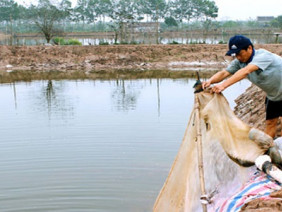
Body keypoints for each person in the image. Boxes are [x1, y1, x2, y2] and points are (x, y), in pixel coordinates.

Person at [202, 35, 282, 138]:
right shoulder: (239, 62)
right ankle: (267, 149)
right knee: (270, 123)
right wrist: (210, 81)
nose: (238, 57)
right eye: (235, 55)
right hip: (274, 95)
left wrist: (223, 85)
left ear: (249, 48)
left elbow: (246, 71)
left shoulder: (263, 56)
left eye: (240, 54)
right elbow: (224, 73)